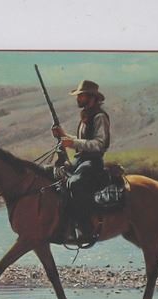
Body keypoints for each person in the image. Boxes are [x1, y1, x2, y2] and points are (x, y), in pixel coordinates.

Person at [51, 80, 116, 247]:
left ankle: (85, 229)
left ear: (91, 97)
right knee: (53, 174)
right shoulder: (87, 114)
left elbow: (99, 144)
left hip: (92, 163)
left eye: (81, 95)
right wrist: (64, 135)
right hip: (80, 161)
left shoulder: (99, 116)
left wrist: (71, 143)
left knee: (75, 183)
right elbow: (83, 140)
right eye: (78, 95)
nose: (78, 98)